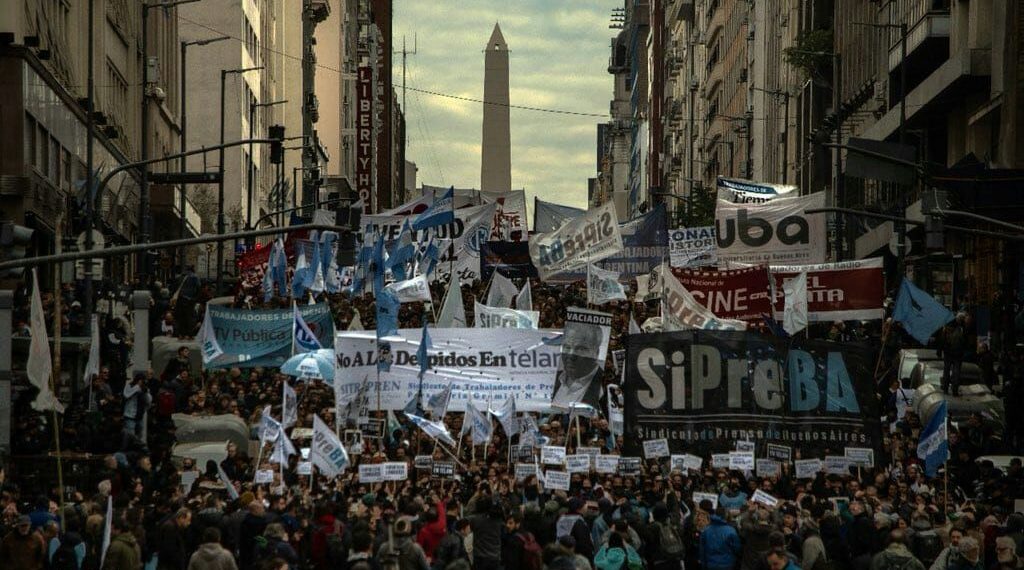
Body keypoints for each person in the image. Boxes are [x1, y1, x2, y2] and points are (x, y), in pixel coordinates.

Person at [551, 322, 604, 408]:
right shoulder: (551, 379)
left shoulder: (605, 386)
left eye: (580, 349)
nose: (571, 355)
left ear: (596, 353)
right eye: (567, 347)